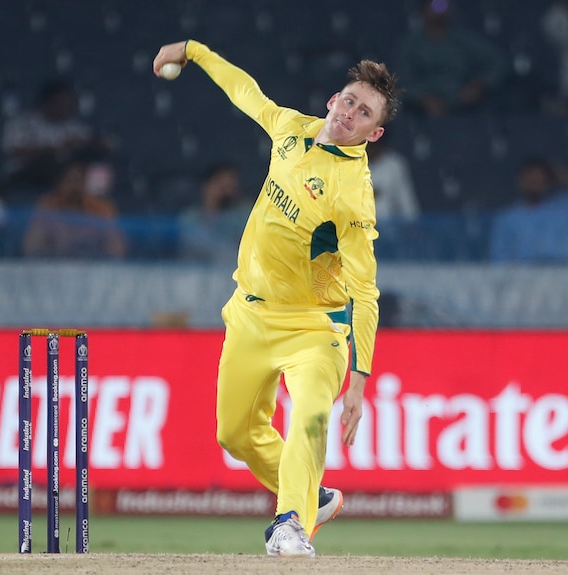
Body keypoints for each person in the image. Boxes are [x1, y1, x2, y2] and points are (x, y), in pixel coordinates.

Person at [152, 40, 400, 557]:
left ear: (374, 134)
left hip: (315, 327)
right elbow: (245, 91)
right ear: (333, 100)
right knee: (234, 435)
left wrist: (359, 379)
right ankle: (317, 497)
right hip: (248, 314)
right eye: (349, 101)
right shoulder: (291, 128)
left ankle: (291, 524)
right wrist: (194, 51)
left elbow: (366, 291)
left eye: (365, 114)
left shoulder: (352, 195)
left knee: (309, 415)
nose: (350, 115)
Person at [397, 0, 509, 116]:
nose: (439, 11)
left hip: (464, 107)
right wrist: (422, 98)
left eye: (443, 5)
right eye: (435, 5)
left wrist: (479, 84)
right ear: (423, 9)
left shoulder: (462, 39)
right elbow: (401, 80)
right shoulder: (410, 44)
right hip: (420, 112)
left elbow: (498, 61)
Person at [489, 158, 568, 263]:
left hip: (566, 273)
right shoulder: (507, 218)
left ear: (548, 182)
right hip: (526, 276)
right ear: (520, 181)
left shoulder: (564, 207)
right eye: (530, 179)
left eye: (539, 179)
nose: (535, 184)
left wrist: (564, 175)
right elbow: (499, 257)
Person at [0, 79, 110, 193]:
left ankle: (91, 200)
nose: (65, 106)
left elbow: (102, 146)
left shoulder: (74, 127)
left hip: (65, 176)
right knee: (48, 162)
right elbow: (14, 152)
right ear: (47, 102)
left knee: (91, 166)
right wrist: (57, 148)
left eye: (69, 102)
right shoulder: (22, 122)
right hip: (24, 175)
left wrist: (84, 144)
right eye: (60, 102)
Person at [22, 160, 126, 259]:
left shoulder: (102, 209)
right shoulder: (47, 206)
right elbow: (31, 247)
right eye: (70, 181)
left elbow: (117, 251)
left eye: (80, 181)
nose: (75, 187)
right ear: (60, 183)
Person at [178, 163, 251, 263]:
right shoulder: (189, 217)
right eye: (222, 186)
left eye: (231, 186)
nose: (227, 191)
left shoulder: (244, 215)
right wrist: (211, 207)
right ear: (207, 186)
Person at [367, 141, 421, 222]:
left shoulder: (393, 164)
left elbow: (406, 201)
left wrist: (412, 222)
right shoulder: (350, 163)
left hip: (389, 225)